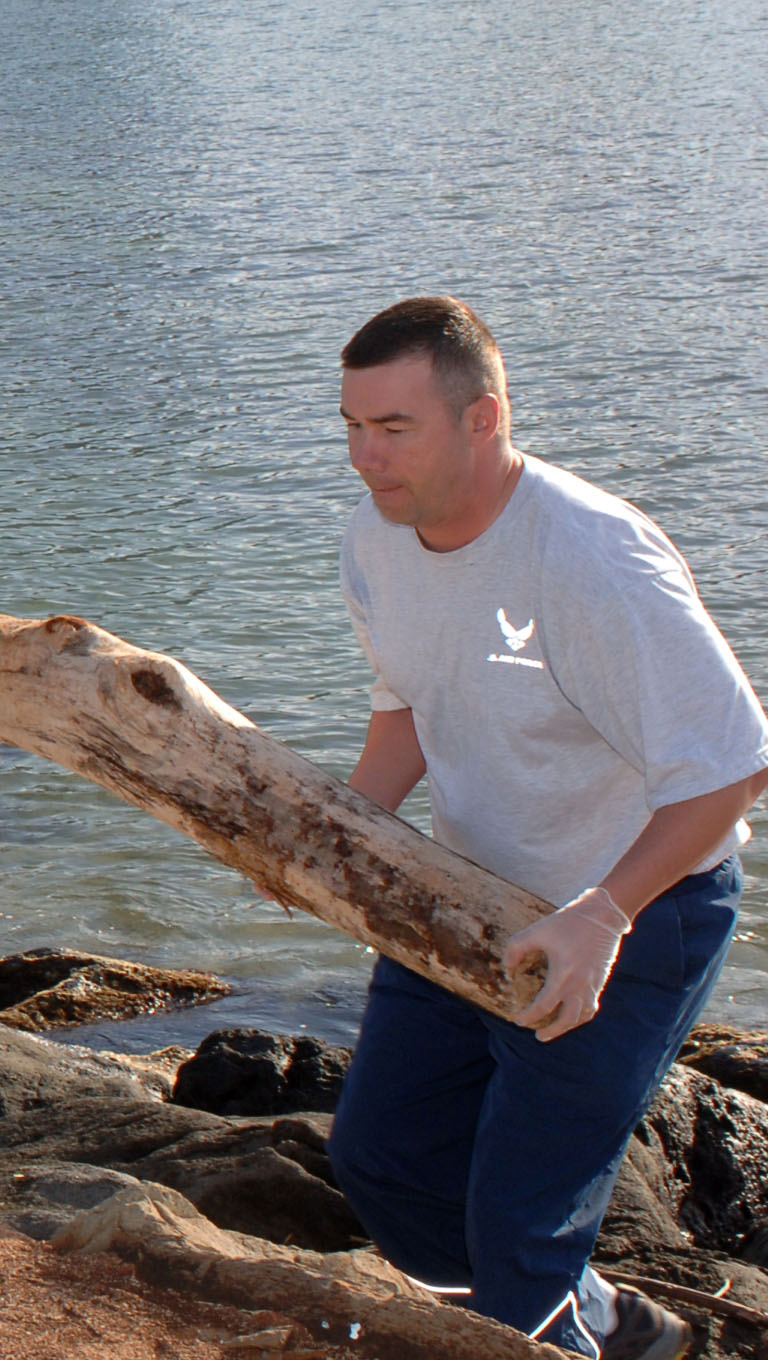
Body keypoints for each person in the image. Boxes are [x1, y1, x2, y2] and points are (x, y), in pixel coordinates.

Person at [327, 296, 768, 1360]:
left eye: (393, 429)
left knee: (518, 1230)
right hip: (464, 894)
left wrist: (602, 914)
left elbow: (732, 762)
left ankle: (540, 1316)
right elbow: (410, 712)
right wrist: (333, 834)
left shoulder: (590, 558)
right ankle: (589, 1319)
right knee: (381, 1161)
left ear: (482, 420)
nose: (364, 458)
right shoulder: (376, 541)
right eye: (349, 427)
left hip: (629, 913)